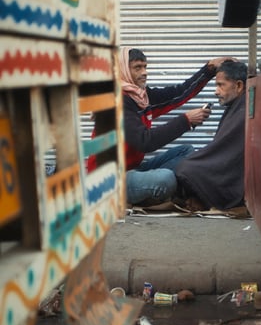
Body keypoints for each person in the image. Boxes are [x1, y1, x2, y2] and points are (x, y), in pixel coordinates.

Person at [88, 47, 231, 206]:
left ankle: (147, 193)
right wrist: (186, 120)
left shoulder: (140, 97)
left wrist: (208, 69)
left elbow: (178, 94)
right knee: (165, 179)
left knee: (186, 151)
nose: (144, 72)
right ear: (122, 70)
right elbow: (145, 142)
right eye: (137, 68)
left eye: (145, 66)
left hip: (132, 169)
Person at [175, 60, 248, 211]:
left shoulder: (243, 110)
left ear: (239, 86)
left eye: (221, 85)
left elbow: (224, 153)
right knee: (186, 159)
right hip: (226, 168)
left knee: (185, 167)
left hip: (232, 178)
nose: (216, 91)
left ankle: (205, 200)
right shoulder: (237, 105)